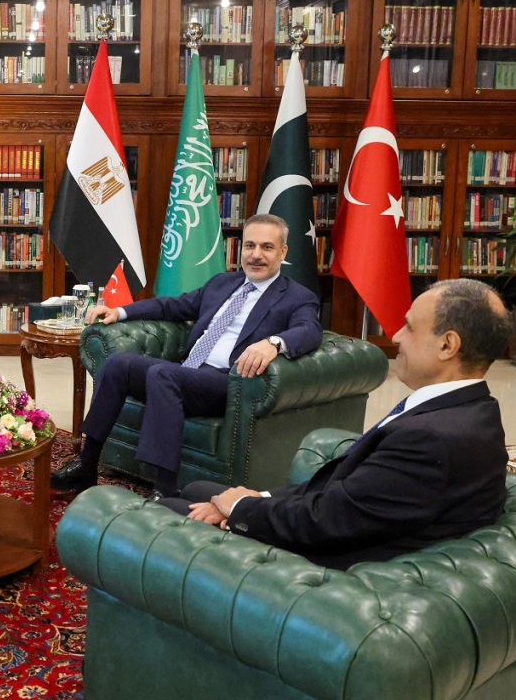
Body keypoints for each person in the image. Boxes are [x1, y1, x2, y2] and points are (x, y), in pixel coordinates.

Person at [164, 278, 514, 570]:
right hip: (341, 526)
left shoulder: (428, 440)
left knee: (165, 514)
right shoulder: (476, 410)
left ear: (447, 345)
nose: (396, 337)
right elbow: (348, 497)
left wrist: (242, 509)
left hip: (323, 566)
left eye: (409, 327)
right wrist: (260, 497)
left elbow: (327, 522)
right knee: (198, 490)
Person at [52, 214, 323, 500]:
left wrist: (274, 343)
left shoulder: (296, 296)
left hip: (227, 383)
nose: (256, 255)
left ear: (283, 251)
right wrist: (120, 312)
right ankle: (87, 463)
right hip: (188, 372)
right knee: (119, 363)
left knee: (163, 374)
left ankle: (165, 488)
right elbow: (173, 306)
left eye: (267, 247)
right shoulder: (222, 283)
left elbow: (310, 330)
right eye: (249, 245)